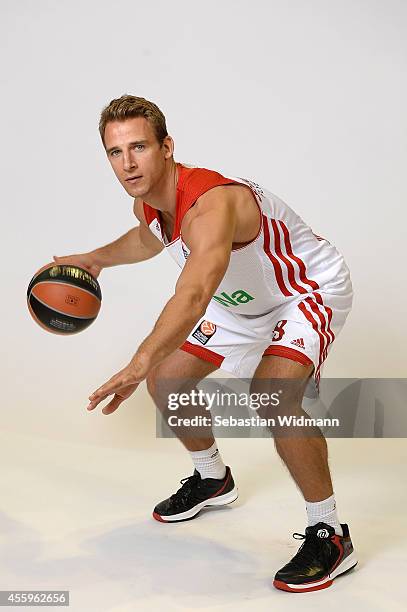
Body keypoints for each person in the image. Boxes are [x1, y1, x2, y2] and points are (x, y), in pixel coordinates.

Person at [54, 94, 357, 592]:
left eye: (139, 147)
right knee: (167, 381)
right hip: (236, 301)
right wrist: (97, 258)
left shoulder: (211, 204)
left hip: (300, 291)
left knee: (274, 396)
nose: (128, 163)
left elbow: (193, 292)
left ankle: (330, 532)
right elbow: (150, 238)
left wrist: (136, 359)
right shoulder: (150, 202)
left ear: (167, 147)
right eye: (115, 152)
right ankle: (213, 479)